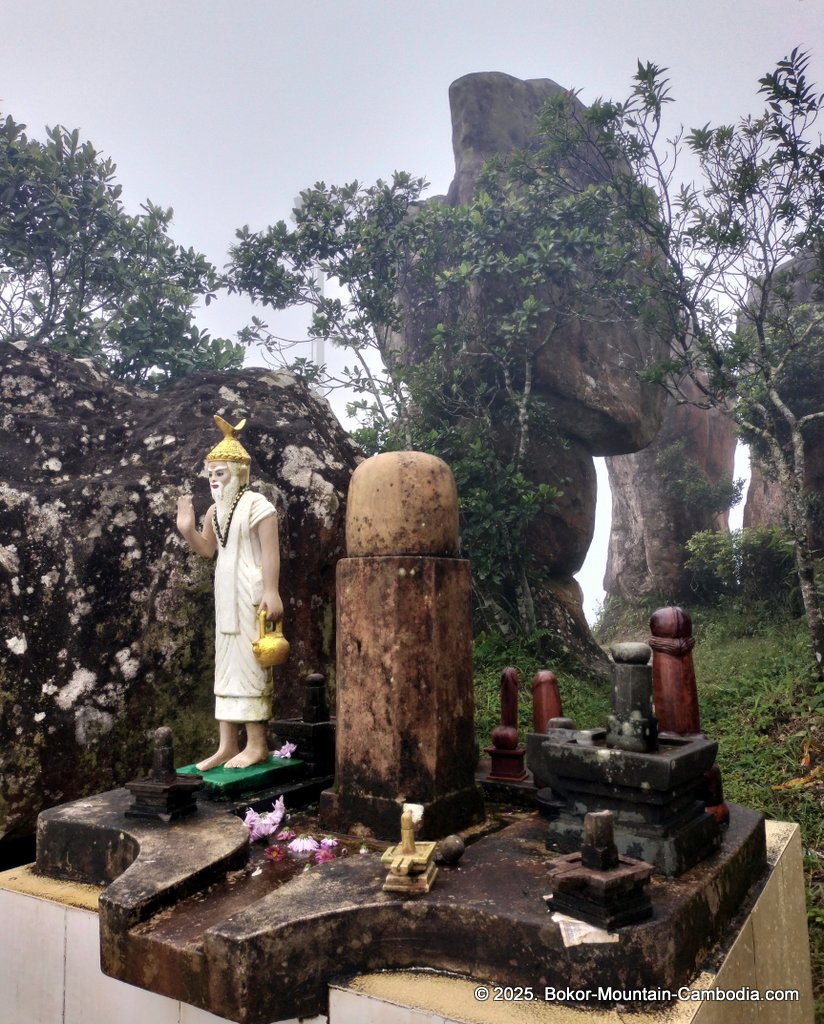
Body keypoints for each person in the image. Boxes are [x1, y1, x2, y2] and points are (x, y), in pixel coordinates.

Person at [176, 415, 283, 770]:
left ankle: (256, 744)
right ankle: (226, 744)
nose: (214, 480)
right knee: (225, 667)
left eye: (220, 473)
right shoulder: (214, 511)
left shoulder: (256, 505)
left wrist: (272, 589)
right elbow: (209, 550)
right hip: (225, 594)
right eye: (210, 474)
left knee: (251, 664)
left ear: (239, 473)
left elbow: (270, 551)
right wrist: (188, 529)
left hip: (250, 593)